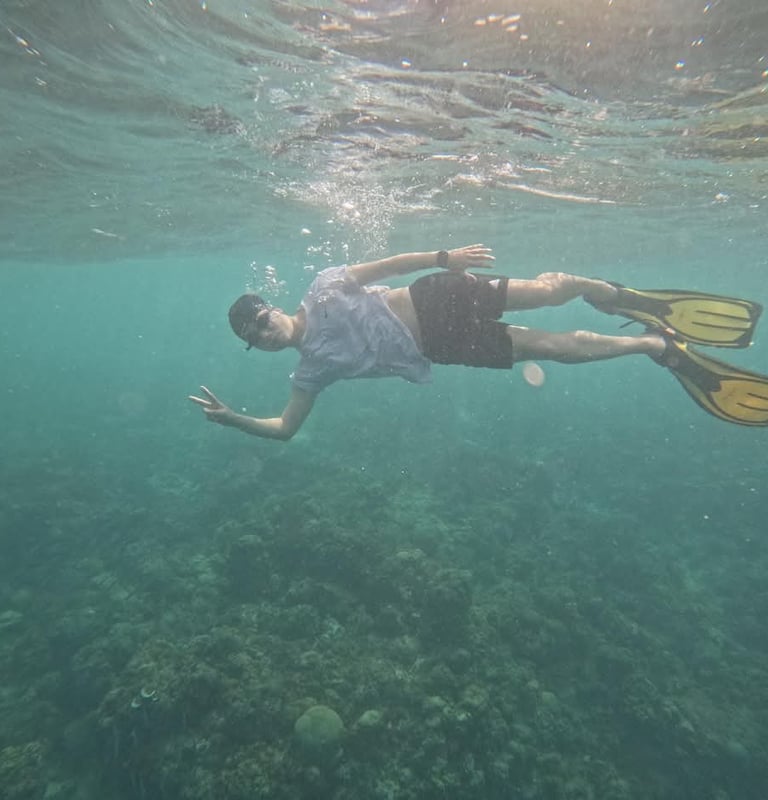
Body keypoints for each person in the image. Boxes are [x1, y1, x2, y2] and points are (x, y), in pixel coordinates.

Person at [189, 244, 768, 435]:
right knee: (552, 350)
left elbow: (385, 265)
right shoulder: (308, 373)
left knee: (548, 292)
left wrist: (444, 256)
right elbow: (287, 430)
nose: (264, 336)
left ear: (271, 309)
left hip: (436, 298)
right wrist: (232, 418)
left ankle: (611, 293)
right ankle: (656, 347)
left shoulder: (322, 288)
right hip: (442, 348)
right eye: (253, 339)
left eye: (261, 322)